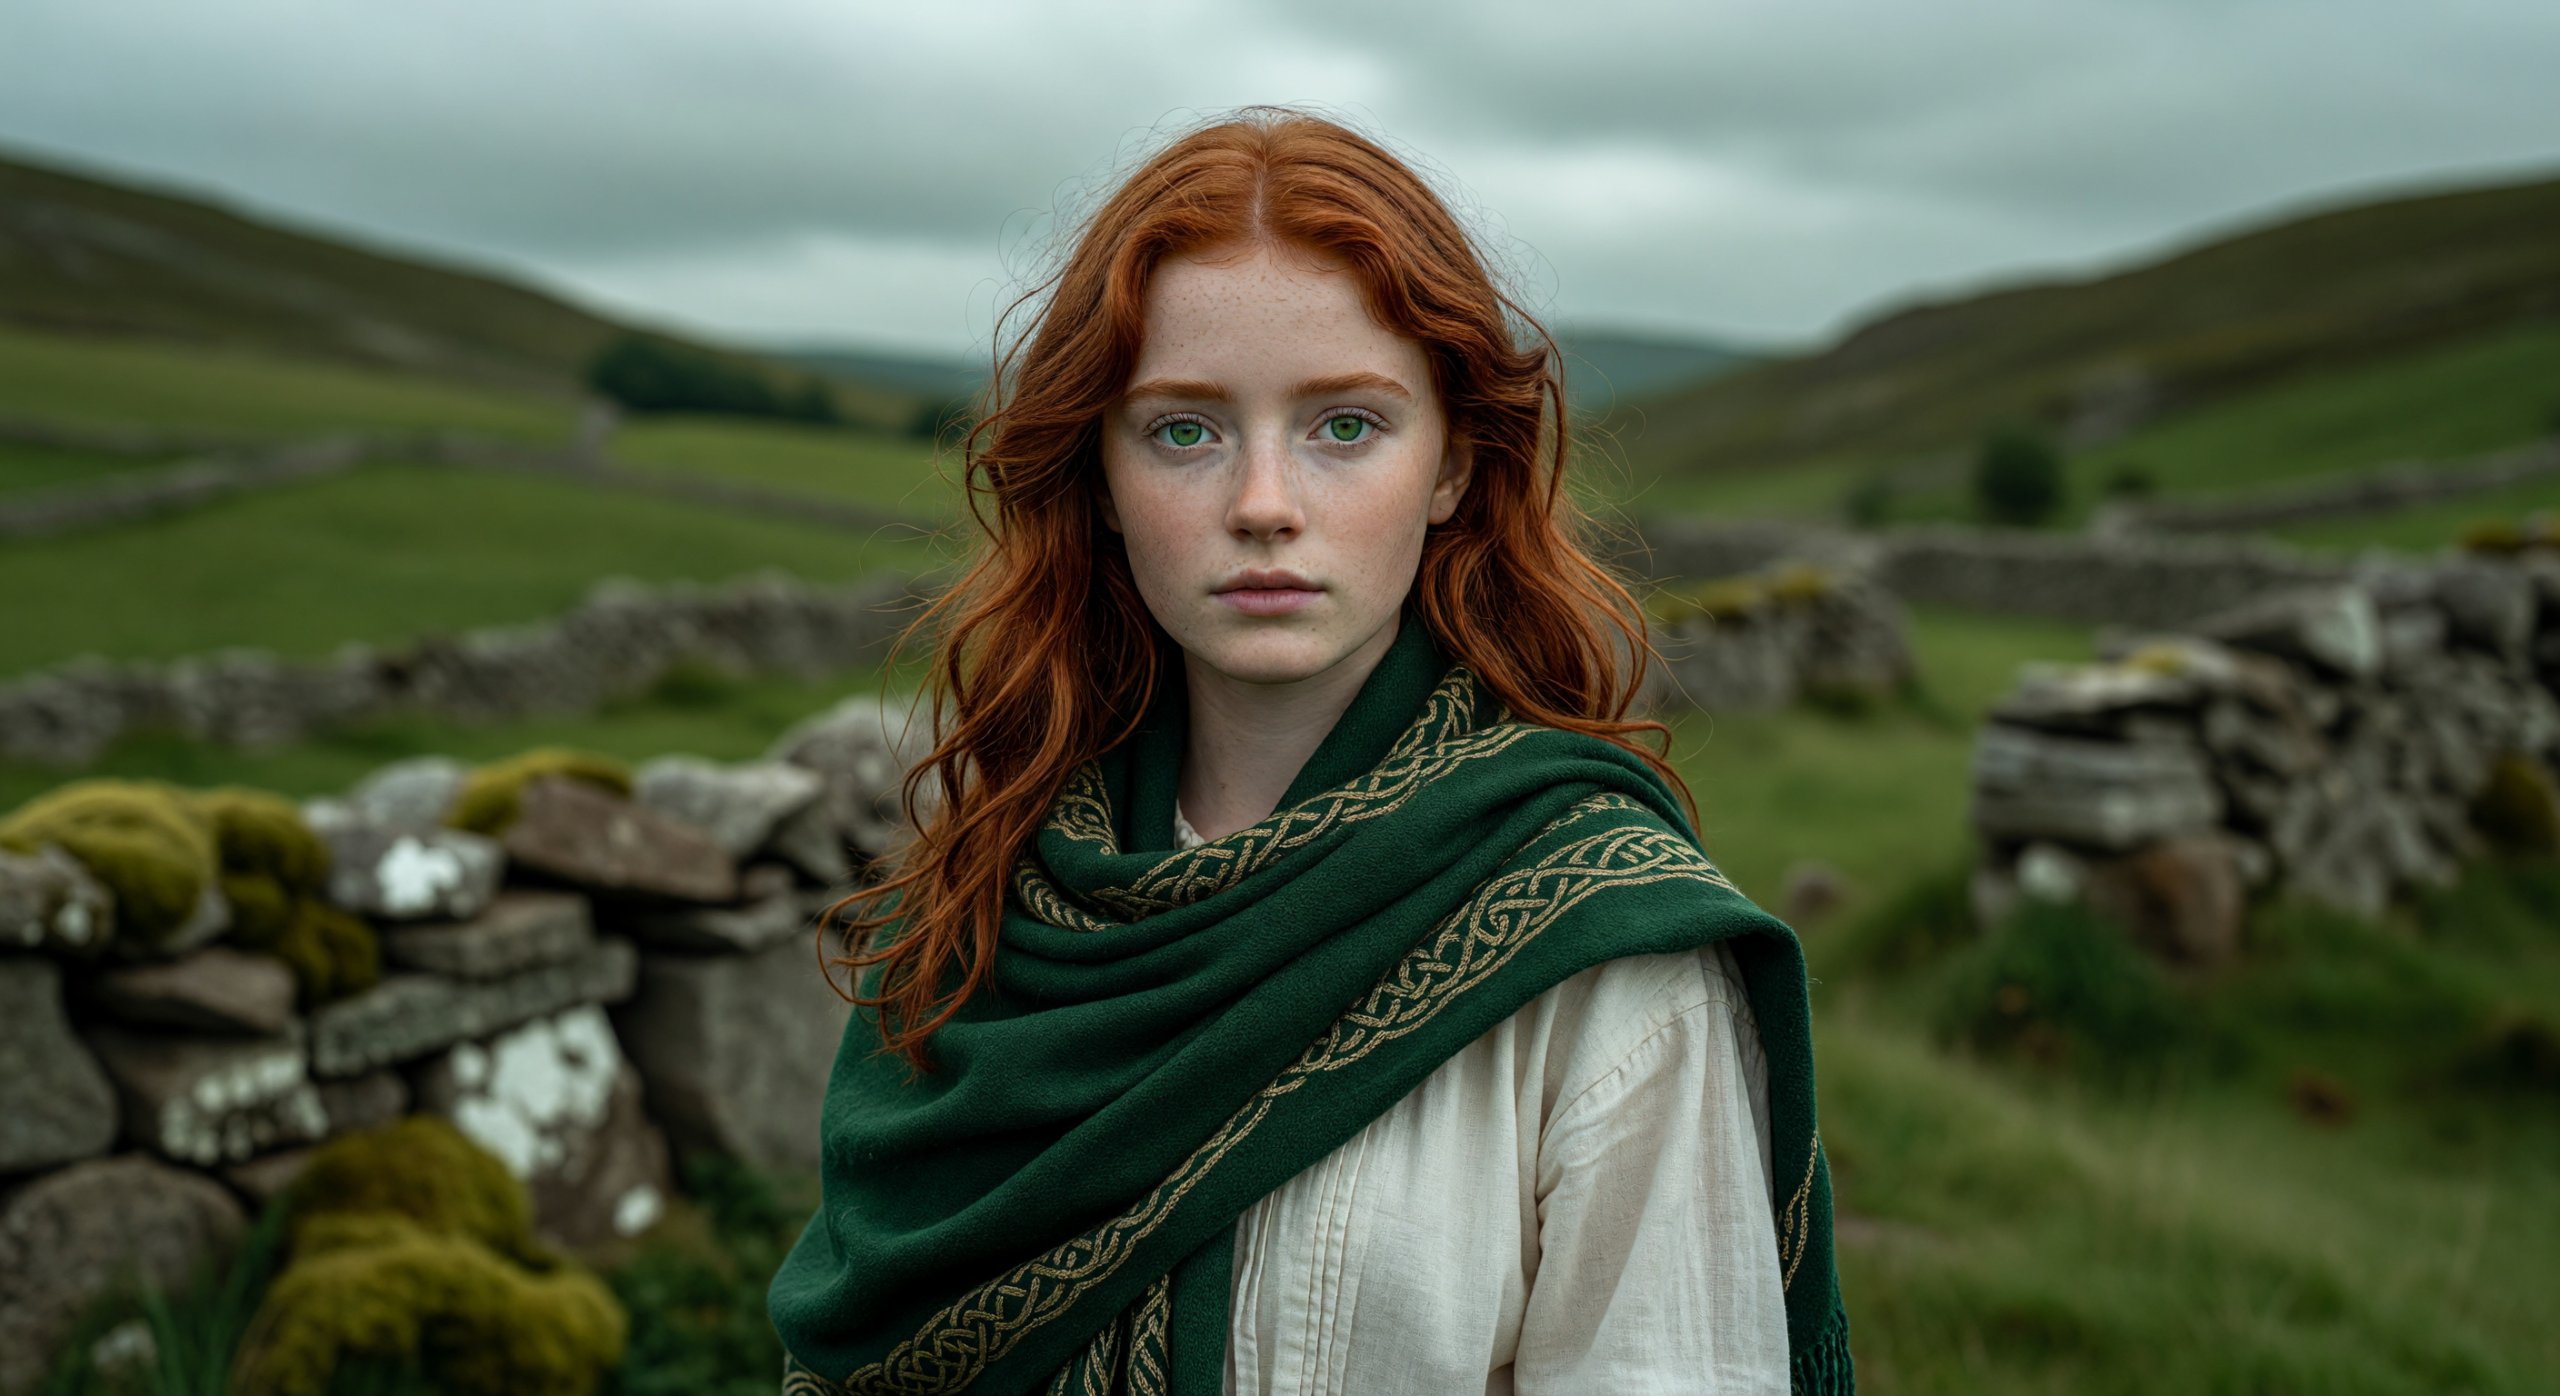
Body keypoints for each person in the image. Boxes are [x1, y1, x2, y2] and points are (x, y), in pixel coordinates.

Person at [768, 110, 1852, 1396]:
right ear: (1100, 479)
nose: (1263, 503)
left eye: (1346, 426)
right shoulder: (991, 891)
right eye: (1184, 429)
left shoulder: (1601, 961)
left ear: (1453, 462)